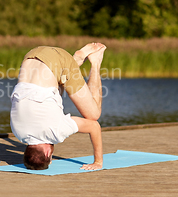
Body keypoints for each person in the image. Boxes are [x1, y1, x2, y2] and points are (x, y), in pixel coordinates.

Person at [10, 43, 106, 171]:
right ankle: (75, 61)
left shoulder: (55, 132)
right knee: (52, 98)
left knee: (93, 115)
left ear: (48, 154)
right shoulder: (18, 132)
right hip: (32, 56)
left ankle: (95, 62)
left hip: (58, 61)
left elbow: (94, 126)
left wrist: (98, 162)